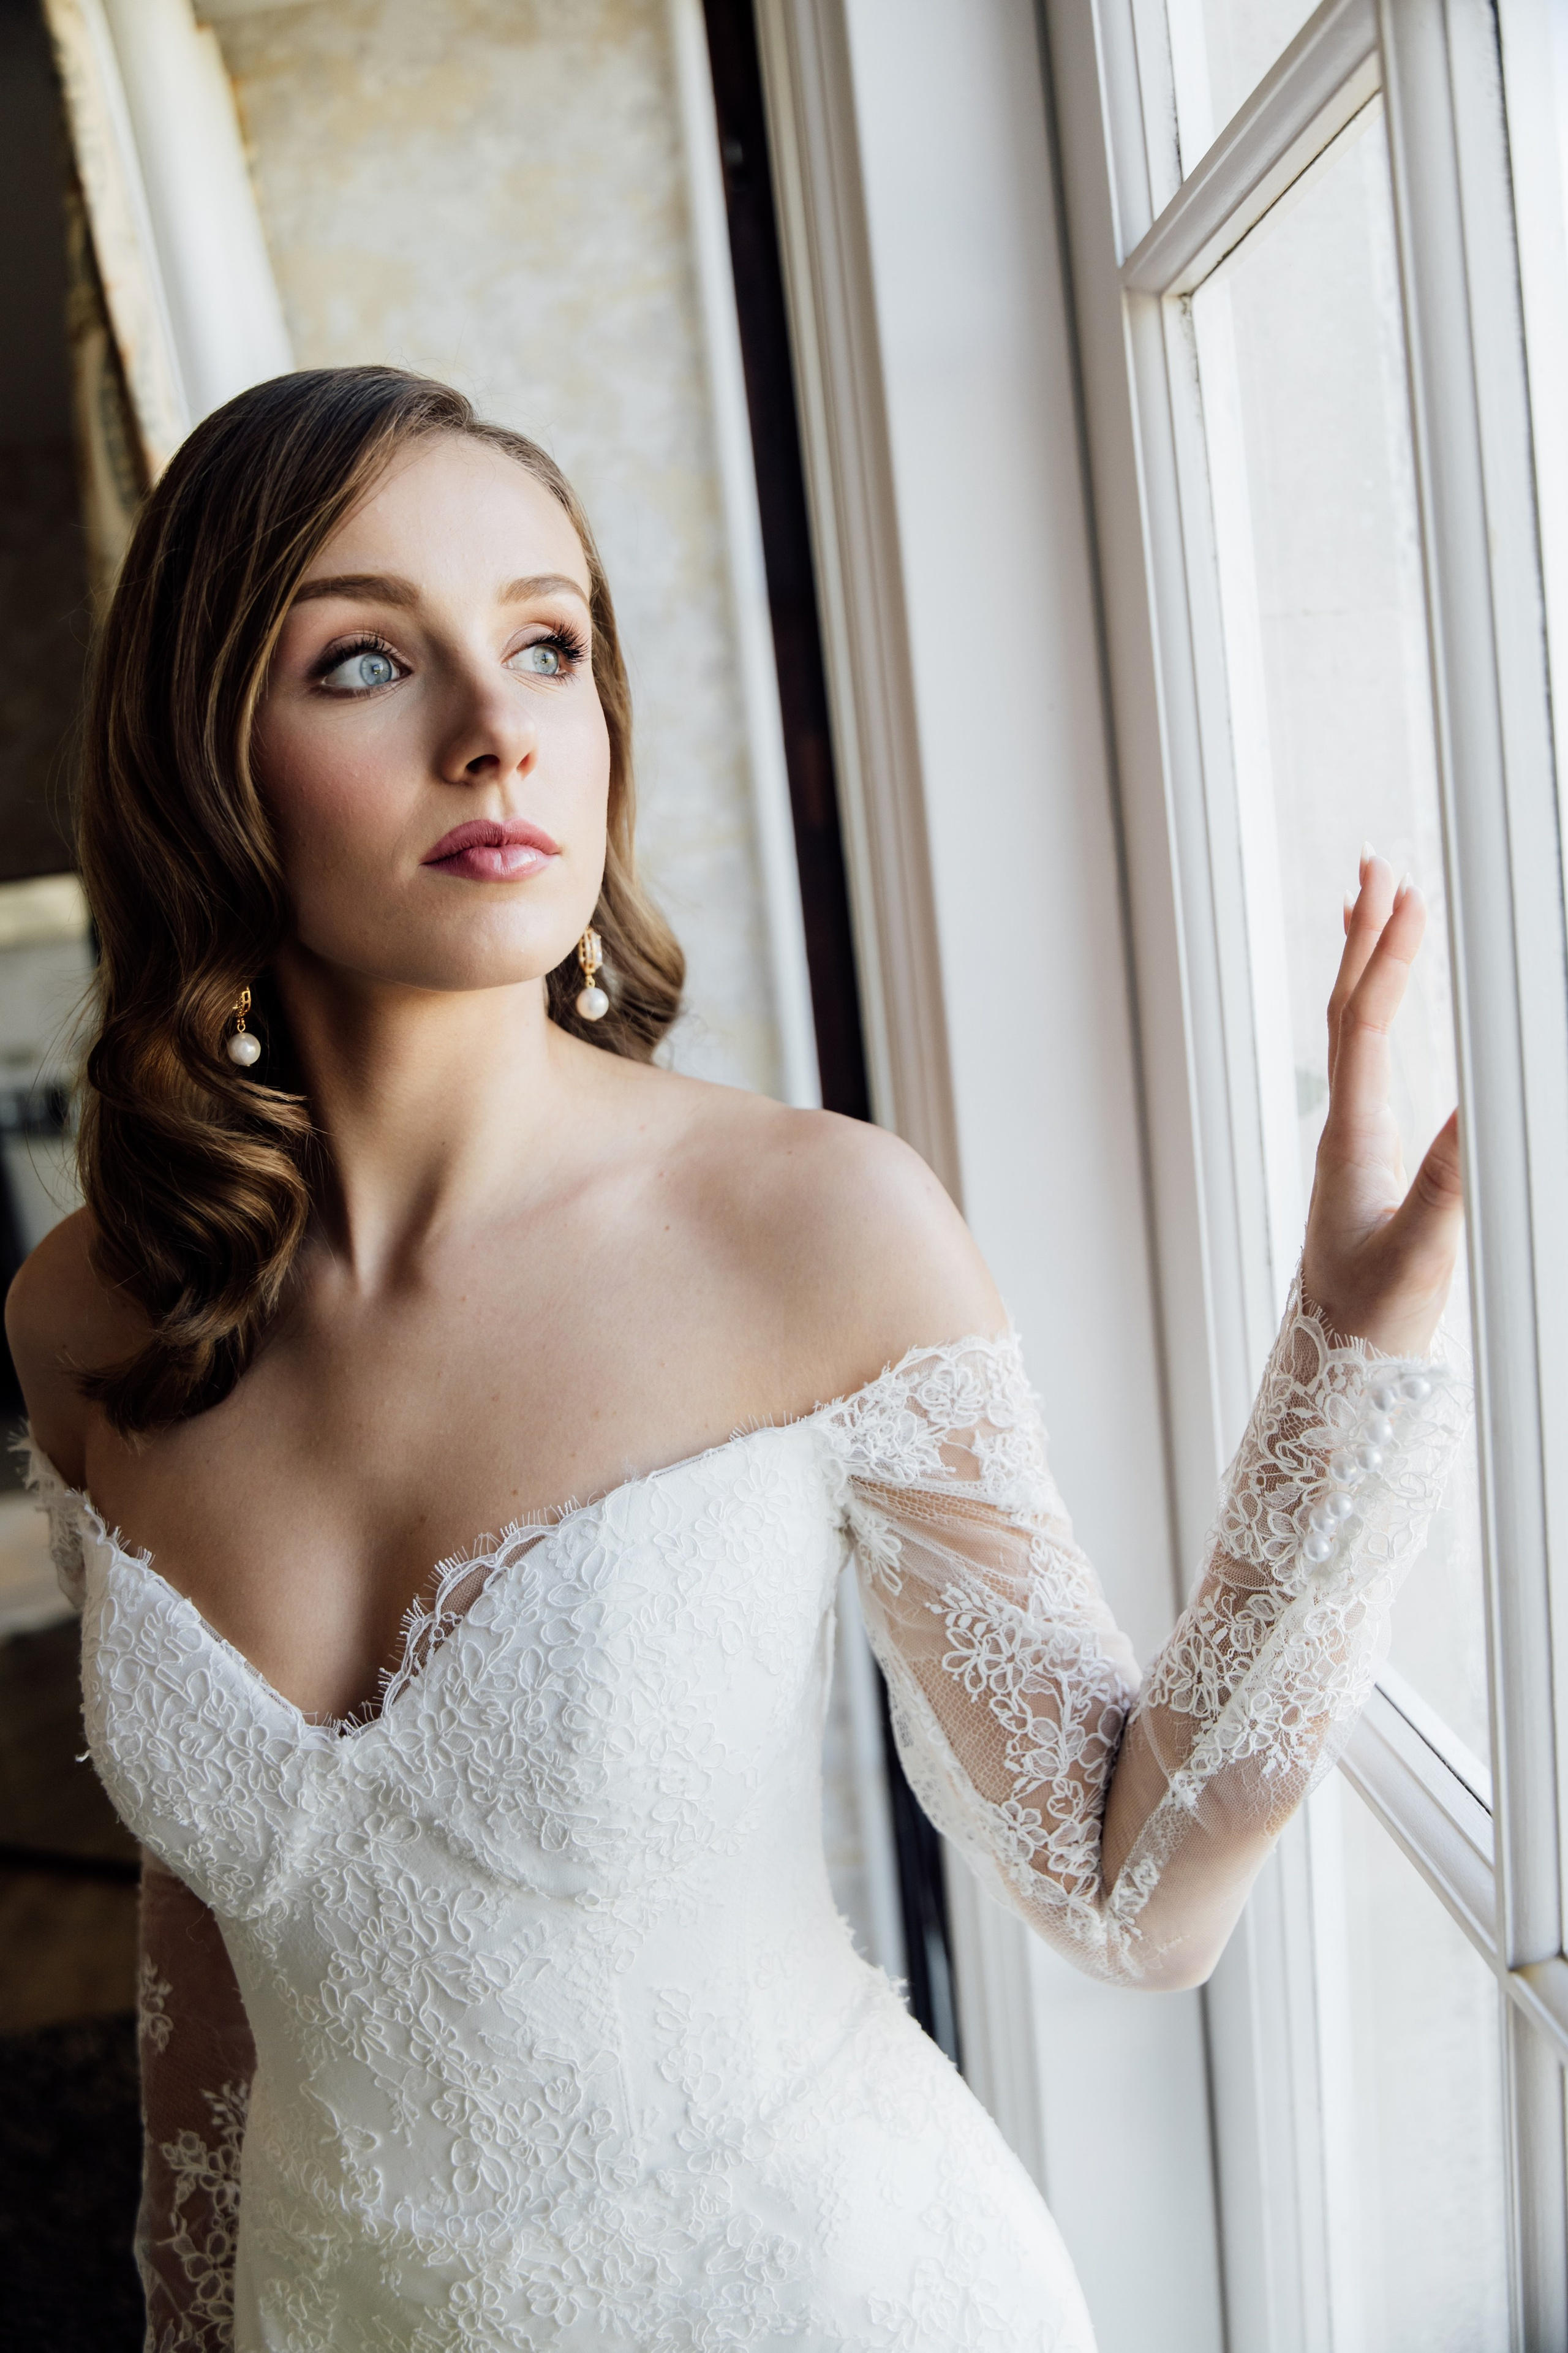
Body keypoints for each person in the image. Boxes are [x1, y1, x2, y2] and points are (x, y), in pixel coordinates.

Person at [7, 367, 1468, 2353]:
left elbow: (1136, 1888)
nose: (495, 731)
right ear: (204, 752)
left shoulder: (810, 1231)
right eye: (366, 659)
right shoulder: (92, 1313)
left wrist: (1358, 1357)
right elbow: (213, 1947)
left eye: (547, 644)